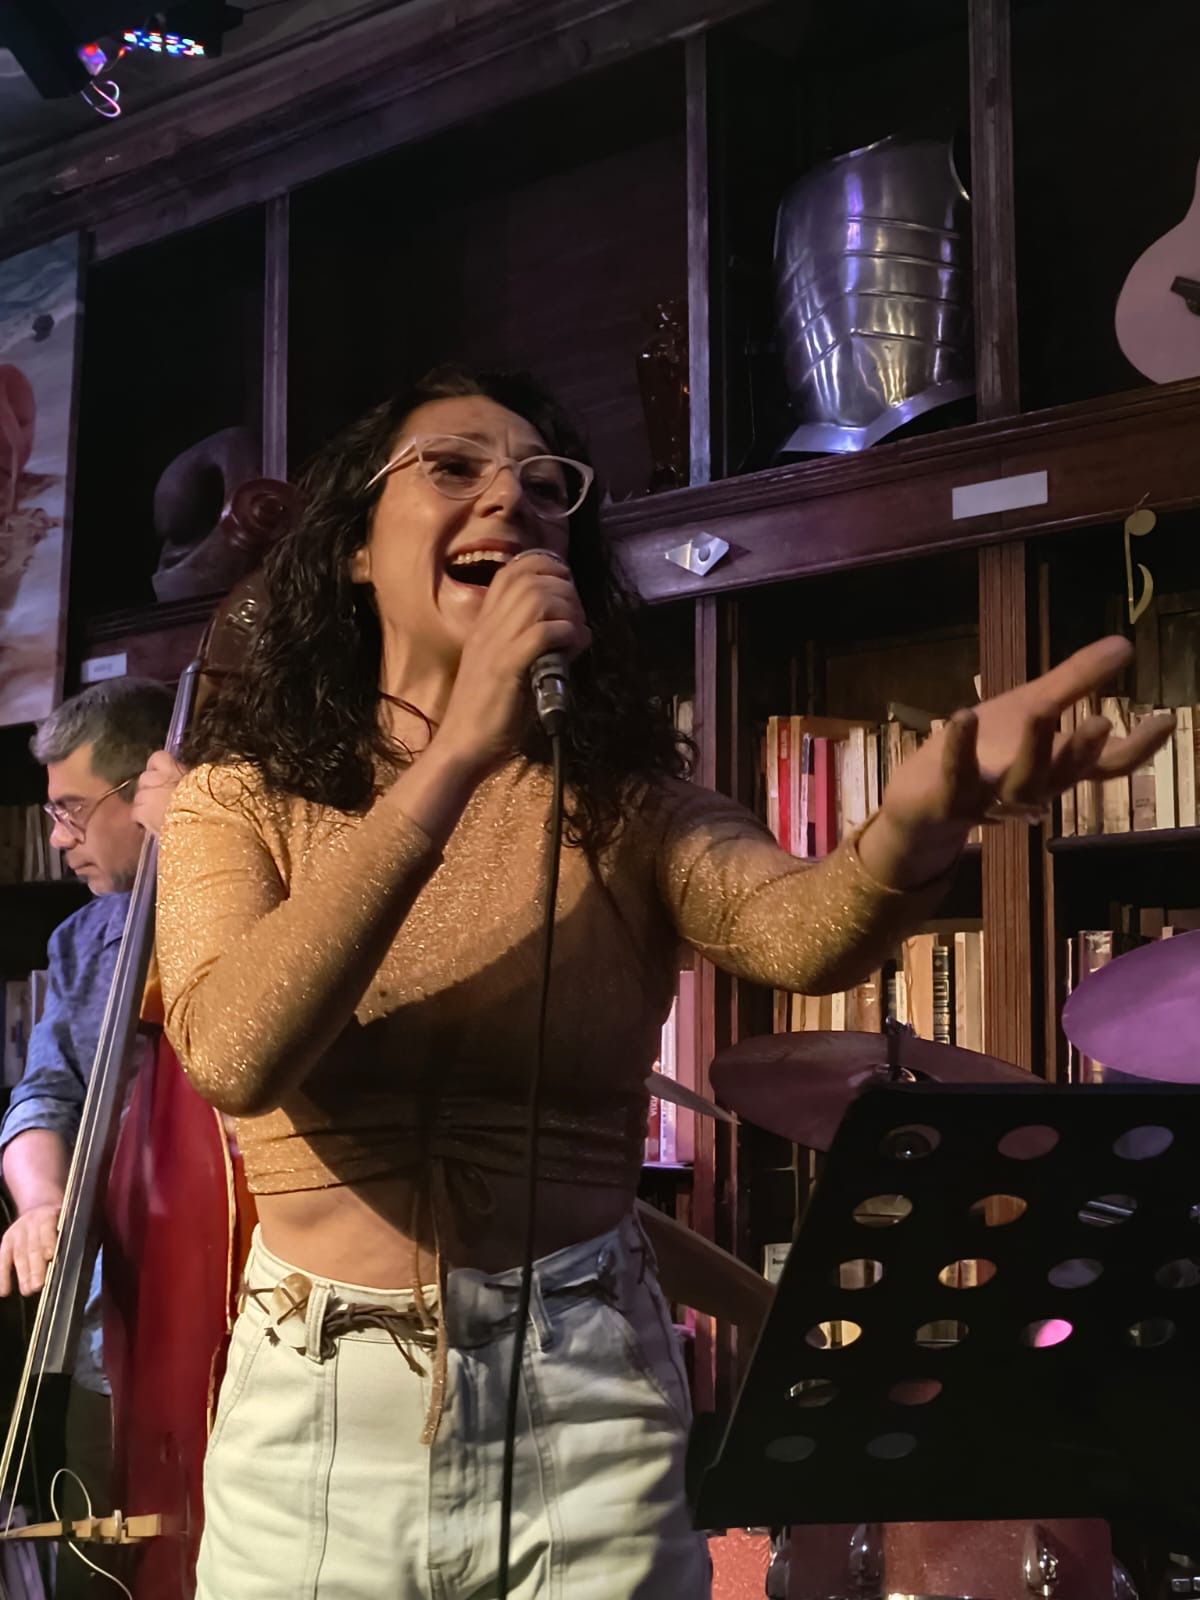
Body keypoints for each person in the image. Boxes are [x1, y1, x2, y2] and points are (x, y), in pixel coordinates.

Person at [153, 364, 1170, 1600]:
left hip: (583, 1394)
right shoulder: (238, 799)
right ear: (356, 549)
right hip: (316, 1417)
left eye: (545, 485)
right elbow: (237, 1050)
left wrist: (916, 818)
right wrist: (459, 753)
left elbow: (798, 932)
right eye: (454, 467)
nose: (510, 499)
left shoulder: (627, 804)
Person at [0, 677, 175, 1597]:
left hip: (229, 1308)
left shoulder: (245, 901)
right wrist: (41, 1201)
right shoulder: (82, 940)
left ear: (145, 788)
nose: (60, 837)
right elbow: (45, 1093)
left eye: (72, 810)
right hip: (113, 1321)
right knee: (92, 1566)